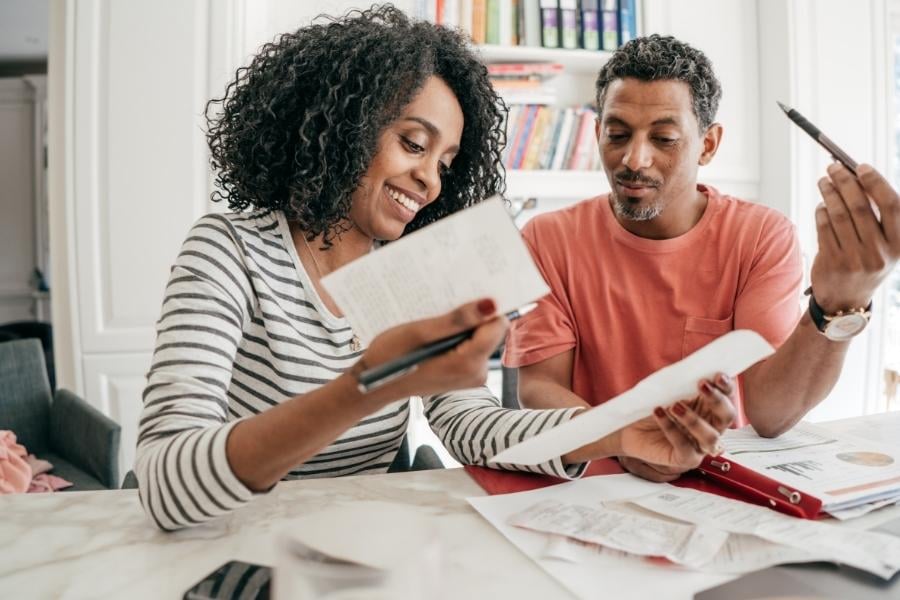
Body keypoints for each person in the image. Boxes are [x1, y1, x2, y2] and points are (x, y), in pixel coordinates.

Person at [135, 7, 735, 531]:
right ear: (339, 126)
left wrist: (616, 431)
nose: (430, 180)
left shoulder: (412, 275)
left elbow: (471, 425)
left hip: (350, 547)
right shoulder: (228, 251)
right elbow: (164, 479)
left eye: (446, 162)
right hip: (228, 542)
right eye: (414, 144)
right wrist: (369, 385)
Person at [504, 33, 900, 482]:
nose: (634, 159)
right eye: (617, 134)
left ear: (708, 146)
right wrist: (623, 437)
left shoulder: (760, 237)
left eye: (664, 138)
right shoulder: (547, 238)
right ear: (597, 133)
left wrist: (835, 303)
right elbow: (538, 386)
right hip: (592, 479)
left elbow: (770, 415)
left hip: (717, 483)